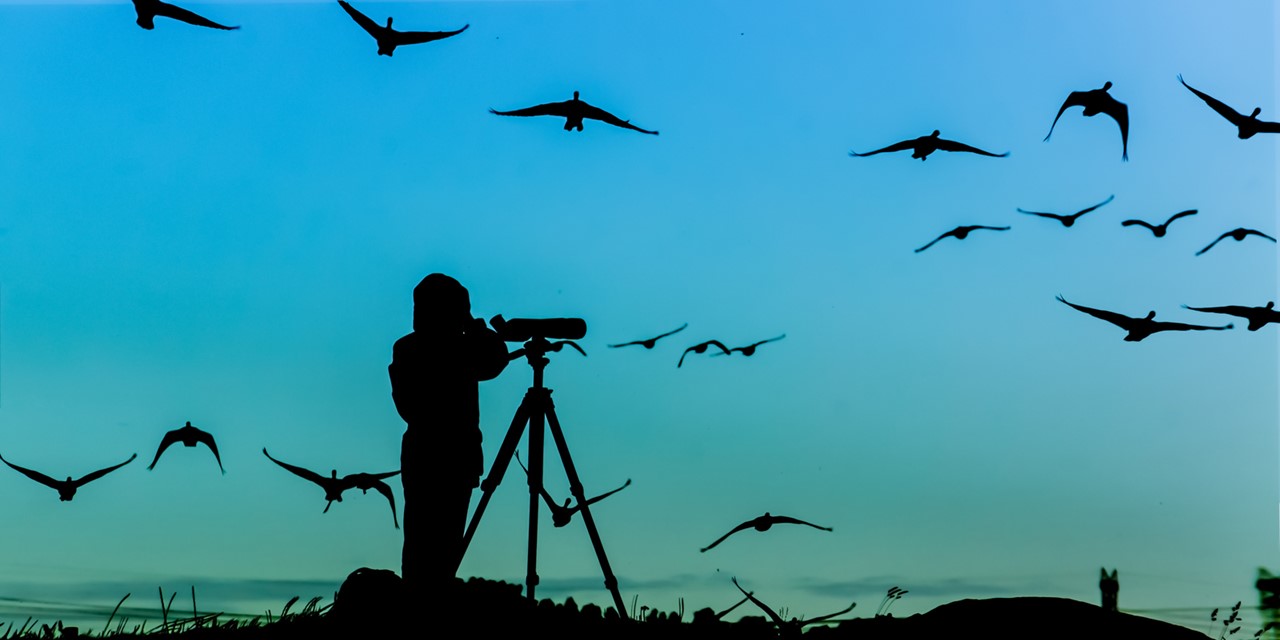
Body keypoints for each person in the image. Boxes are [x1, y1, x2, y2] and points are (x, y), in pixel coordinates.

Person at [389, 273, 509, 597]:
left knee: (422, 548)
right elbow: (497, 361)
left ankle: (422, 602)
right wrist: (476, 328)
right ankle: (428, 604)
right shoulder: (460, 349)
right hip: (451, 458)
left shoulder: (408, 348)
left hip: (429, 458)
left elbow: (495, 362)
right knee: (436, 549)